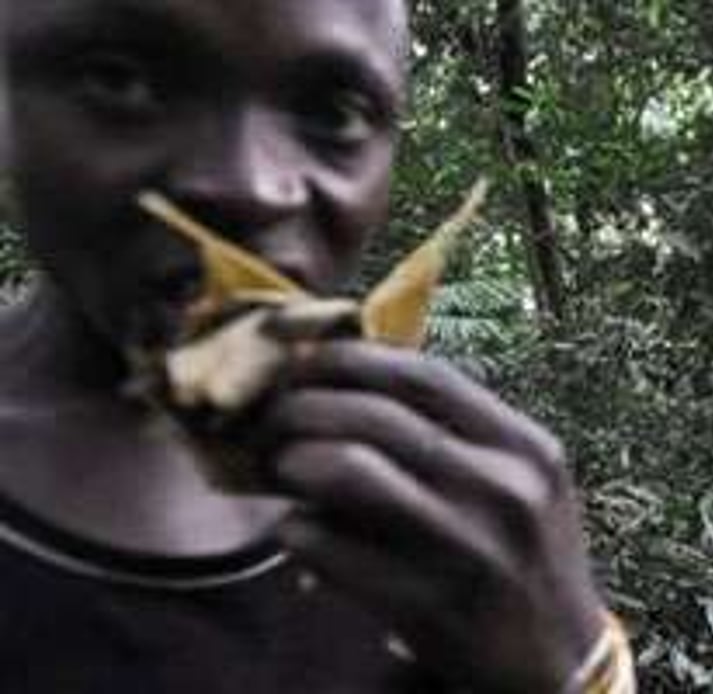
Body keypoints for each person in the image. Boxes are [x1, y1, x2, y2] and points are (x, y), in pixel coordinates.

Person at [0, 1, 629, 692]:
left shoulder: (443, 518)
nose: (249, 187)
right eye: (121, 80)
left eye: (336, 115)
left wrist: (579, 668)